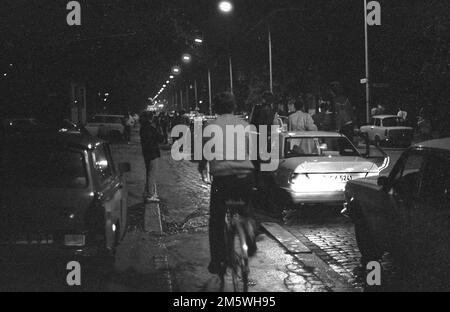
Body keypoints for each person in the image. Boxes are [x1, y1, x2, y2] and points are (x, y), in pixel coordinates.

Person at [198, 92, 257, 275]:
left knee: (216, 219)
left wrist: (202, 166)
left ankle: (217, 261)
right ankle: (249, 233)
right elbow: (252, 151)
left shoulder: (210, 126)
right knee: (246, 209)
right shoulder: (245, 125)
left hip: (223, 179)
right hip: (245, 177)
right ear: (234, 107)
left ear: (215, 108)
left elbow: (205, 154)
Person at [140, 111, 164, 202]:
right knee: (151, 174)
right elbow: (160, 138)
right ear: (151, 118)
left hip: (146, 152)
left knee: (149, 173)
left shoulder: (143, 127)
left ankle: (148, 192)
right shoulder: (150, 128)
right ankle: (150, 195)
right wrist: (158, 128)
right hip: (152, 153)